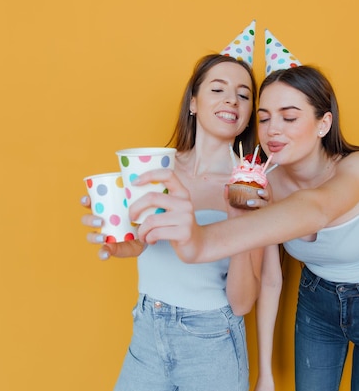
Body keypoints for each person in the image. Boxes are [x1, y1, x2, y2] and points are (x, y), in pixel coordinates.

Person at [130, 31, 359, 391]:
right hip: (317, 301)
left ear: (323, 124)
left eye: (289, 116)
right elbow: (269, 278)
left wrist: (202, 241)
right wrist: (265, 373)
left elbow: (316, 208)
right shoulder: (259, 182)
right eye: (264, 118)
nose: (273, 130)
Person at [81, 30, 267, 389]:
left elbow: (242, 303)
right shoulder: (152, 169)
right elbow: (141, 242)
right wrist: (126, 243)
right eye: (218, 89)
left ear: (247, 117)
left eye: (243, 95)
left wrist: (241, 223)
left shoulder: (250, 184)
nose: (232, 100)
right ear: (193, 102)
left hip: (213, 340)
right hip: (148, 328)